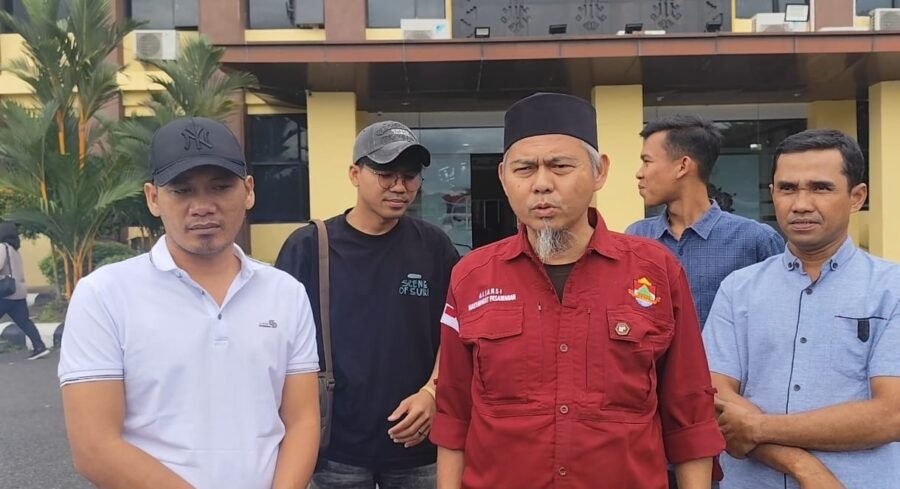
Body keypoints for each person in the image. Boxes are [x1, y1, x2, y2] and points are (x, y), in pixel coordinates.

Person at [431, 92, 724, 489]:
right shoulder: (471, 277)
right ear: (503, 177)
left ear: (599, 171)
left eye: (561, 166)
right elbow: (453, 415)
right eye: (524, 169)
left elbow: (689, 412)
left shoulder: (656, 271)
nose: (541, 184)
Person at [58, 117, 321, 489]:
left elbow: (302, 422)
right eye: (182, 191)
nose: (202, 206)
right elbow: (94, 446)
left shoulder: (286, 293)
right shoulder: (104, 295)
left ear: (248, 191)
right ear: (153, 198)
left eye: (220, 187)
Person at [703, 129, 900, 489]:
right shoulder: (738, 289)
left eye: (821, 188)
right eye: (787, 188)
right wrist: (801, 465)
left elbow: (892, 415)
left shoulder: (891, 289)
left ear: (857, 197)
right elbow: (712, 400)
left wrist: (759, 427)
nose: (801, 204)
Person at [275, 120, 459, 489]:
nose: (399, 186)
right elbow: (276, 342)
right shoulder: (309, 246)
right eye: (386, 173)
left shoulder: (434, 246)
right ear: (355, 174)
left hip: (417, 447)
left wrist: (432, 392)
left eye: (410, 176)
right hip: (334, 448)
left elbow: (456, 331)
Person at [626, 115, 784, 328]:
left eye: (647, 162)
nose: (639, 173)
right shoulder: (636, 237)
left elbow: (779, 320)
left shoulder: (755, 240)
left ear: (683, 166)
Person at [0, 222, 49, 360]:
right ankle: (39, 347)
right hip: (18, 292)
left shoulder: (2, 247)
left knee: (24, 321)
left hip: (5, 293)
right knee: (24, 322)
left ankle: (39, 347)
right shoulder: (15, 250)